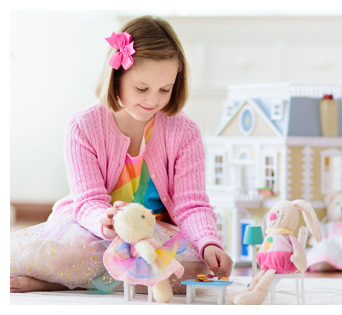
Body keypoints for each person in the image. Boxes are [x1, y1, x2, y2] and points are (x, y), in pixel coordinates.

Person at [10, 15, 233, 294]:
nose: (153, 100)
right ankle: (114, 280)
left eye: (165, 89)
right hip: (92, 230)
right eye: (141, 88)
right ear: (116, 77)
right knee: (72, 250)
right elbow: (88, 201)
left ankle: (66, 281)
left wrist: (208, 242)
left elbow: (192, 204)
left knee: (196, 270)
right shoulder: (83, 126)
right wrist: (105, 222)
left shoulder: (184, 131)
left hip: (153, 234)